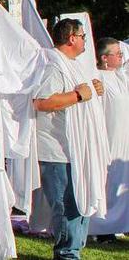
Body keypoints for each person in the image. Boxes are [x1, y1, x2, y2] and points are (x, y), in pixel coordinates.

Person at [33, 18, 105, 260]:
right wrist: (77, 95)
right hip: (57, 151)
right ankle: (67, 253)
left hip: (76, 150)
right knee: (67, 206)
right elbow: (42, 102)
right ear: (72, 38)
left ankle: (73, 251)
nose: (85, 41)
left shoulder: (73, 65)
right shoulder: (53, 65)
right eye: (83, 36)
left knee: (79, 203)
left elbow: (83, 93)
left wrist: (93, 89)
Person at [89, 37, 129, 242]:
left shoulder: (121, 77)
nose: (121, 57)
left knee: (121, 181)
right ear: (105, 58)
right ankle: (102, 227)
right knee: (107, 181)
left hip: (124, 139)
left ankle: (121, 223)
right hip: (108, 137)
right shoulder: (98, 78)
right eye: (117, 54)